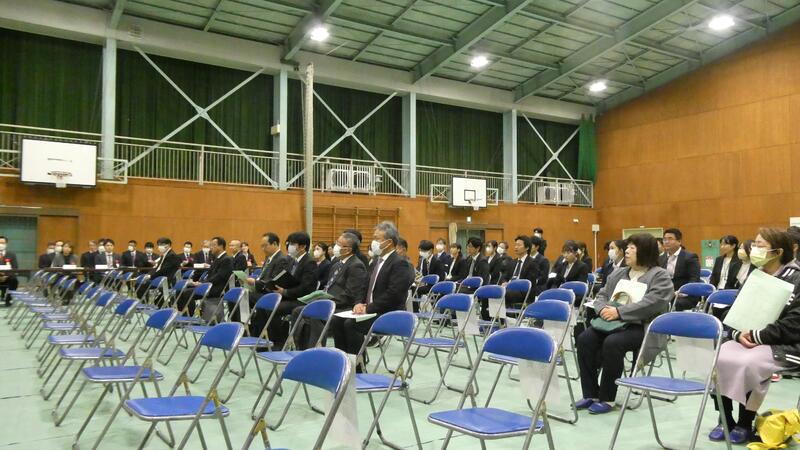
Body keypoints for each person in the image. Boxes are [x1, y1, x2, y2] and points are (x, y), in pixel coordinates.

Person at [709, 228, 800, 444]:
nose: (754, 249)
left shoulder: (796, 278)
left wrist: (757, 336)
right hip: (749, 338)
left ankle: (745, 422)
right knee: (718, 357)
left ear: (778, 252)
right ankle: (725, 419)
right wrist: (737, 333)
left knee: (748, 363)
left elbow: (795, 323)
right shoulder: (755, 275)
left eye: (760, 245)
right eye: (755, 244)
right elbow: (736, 311)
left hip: (785, 343)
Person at [576, 233, 673, 414]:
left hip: (641, 326)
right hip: (610, 322)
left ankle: (607, 397)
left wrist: (619, 312)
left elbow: (653, 303)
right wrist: (602, 309)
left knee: (612, 343)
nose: (626, 251)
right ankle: (591, 394)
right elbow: (602, 295)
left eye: (632, 248)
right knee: (584, 339)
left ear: (645, 251)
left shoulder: (660, 276)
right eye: (627, 247)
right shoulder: (619, 273)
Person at [330, 221, 414, 368]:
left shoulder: (400, 263)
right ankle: (343, 364)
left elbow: (393, 294)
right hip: (371, 310)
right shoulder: (375, 261)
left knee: (351, 324)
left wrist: (368, 308)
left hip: (388, 313)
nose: (373, 242)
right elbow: (363, 287)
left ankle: (357, 368)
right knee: (337, 320)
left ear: (388, 242)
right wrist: (358, 303)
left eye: (377, 239)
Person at [291, 233, 368, 349]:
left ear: (348, 250)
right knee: (298, 311)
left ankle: (315, 352)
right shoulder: (336, 264)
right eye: (336, 242)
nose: (335, 246)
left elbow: (350, 295)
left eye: (339, 244)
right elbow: (329, 287)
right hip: (330, 302)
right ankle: (300, 348)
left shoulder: (356, 265)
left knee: (316, 315)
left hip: (342, 306)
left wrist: (326, 302)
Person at [266, 231, 318, 350]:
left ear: (302, 246)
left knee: (274, 309)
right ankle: (272, 339)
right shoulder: (292, 260)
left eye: (293, 244)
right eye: (289, 243)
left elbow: (306, 287)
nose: (289, 246)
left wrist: (285, 292)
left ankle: (280, 343)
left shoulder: (309, 262)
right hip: (289, 296)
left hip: (301, 299)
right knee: (268, 304)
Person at [246, 232, 292, 336]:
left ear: (274, 244)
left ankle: (247, 329)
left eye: (265, 246)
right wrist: (254, 281)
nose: (263, 249)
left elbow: (274, 282)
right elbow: (263, 277)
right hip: (263, 290)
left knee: (245, 296)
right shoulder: (269, 258)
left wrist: (255, 282)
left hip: (271, 293)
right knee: (242, 294)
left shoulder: (281, 259)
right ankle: (248, 328)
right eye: (261, 246)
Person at [187, 237, 232, 323]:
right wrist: (200, 282)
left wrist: (202, 284)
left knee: (187, 293)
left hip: (215, 288)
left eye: (213, 245)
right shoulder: (217, 258)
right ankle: (190, 316)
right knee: (185, 289)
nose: (210, 248)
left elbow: (218, 277)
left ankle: (190, 318)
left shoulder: (226, 259)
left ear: (220, 246)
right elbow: (210, 275)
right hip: (209, 285)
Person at [659, 228, 701, 310]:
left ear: (679, 241)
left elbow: (694, 279)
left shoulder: (690, 257)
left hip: (685, 295)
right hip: (666, 294)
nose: (666, 242)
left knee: (667, 304)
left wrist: (682, 292)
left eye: (670, 239)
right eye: (664, 239)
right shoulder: (661, 258)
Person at [0, 235, 19, 307]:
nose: (1, 245)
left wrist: (5, 276)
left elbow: (15, 267)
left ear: (6, 244)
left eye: (3, 243)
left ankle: (8, 299)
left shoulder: (11, 254)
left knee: (14, 280)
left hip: (7, 277)